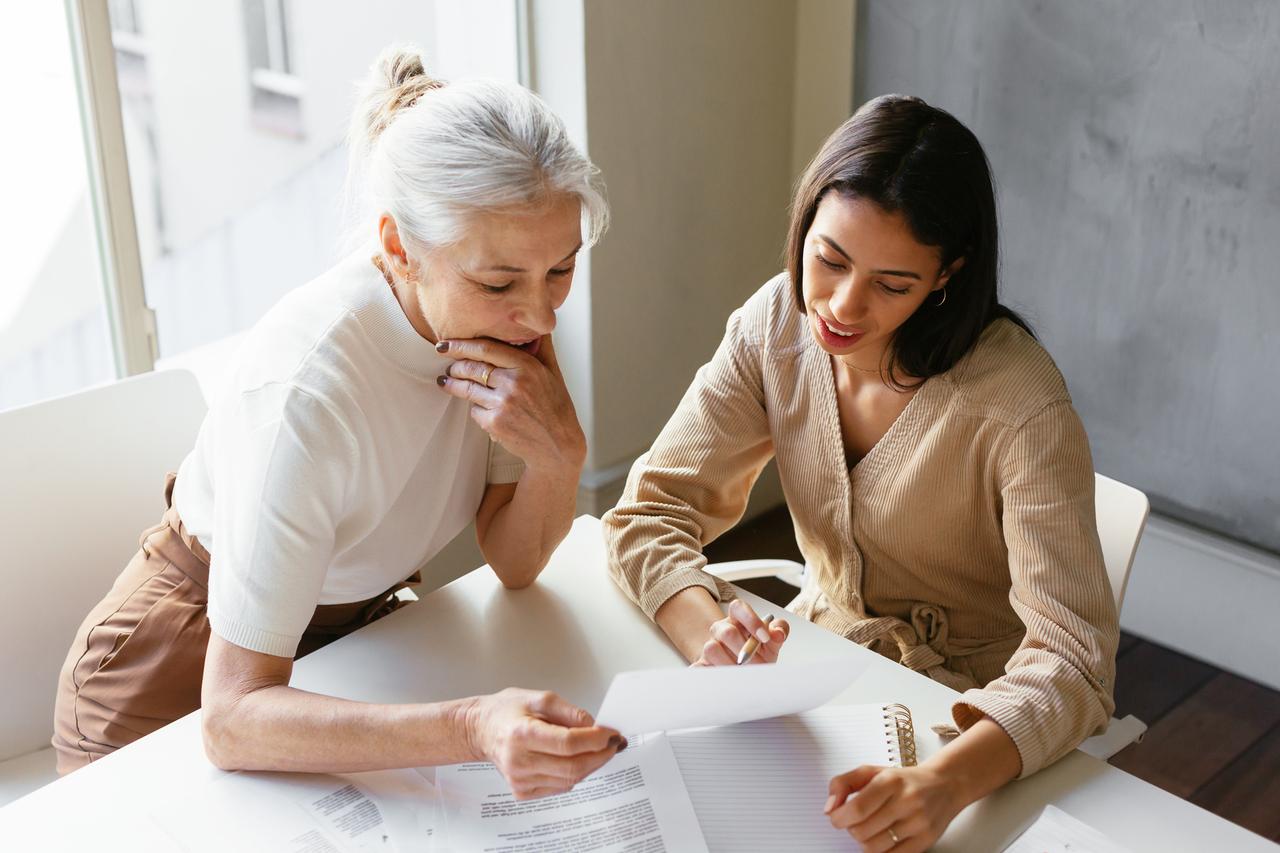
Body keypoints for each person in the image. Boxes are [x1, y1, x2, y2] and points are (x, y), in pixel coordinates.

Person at [53, 45, 623, 800]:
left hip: (345, 647)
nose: (543, 312)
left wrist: (561, 456)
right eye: (500, 280)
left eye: (562, 267)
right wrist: (471, 725)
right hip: (174, 677)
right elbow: (230, 718)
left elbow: (513, 560)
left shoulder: (504, 325)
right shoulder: (308, 394)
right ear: (399, 247)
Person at [603, 94, 1118, 849]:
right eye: (829, 259)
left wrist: (942, 783)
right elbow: (650, 513)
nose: (841, 306)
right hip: (818, 673)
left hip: (973, 724)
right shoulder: (775, 326)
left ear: (949, 274)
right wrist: (707, 633)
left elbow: (1074, 662)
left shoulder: (1020, 406)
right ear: (805, 221)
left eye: (892, 284)